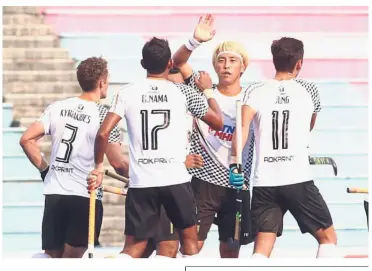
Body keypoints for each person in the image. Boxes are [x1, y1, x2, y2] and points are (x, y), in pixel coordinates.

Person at [87, 37, 223, 258]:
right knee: (189, 245)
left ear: (142, 64)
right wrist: (207, 92)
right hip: (175, 181)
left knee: (132, 249)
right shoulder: (183, 92)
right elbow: (217, 121)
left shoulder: (127, 92)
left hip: (142, 183)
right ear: (170, 63)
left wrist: (98, 167)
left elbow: (103, 133)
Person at [229, 37, 338, 258]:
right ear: (299, 63)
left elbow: (240, 133)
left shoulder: (255, 91)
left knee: (262, 246)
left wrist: (234, 166)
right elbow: (309, 126)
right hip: (298, 180)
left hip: (265, 182)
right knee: (328, 238)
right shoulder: (309, 90)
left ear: (274, 61)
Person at [20, 57, 129, 258]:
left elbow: (26, 140)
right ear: (101, 82)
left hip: (55, 193)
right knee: (74, 259)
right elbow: (118, 163)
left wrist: (46, 170)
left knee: (52, 257)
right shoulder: (105, 117)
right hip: (84, 195)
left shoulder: (57, 107)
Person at [171, 14, 254, 258]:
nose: (226, 65)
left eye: (232, 61)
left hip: (237, 183)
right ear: (215, 65)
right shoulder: (201, 90)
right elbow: (177, 61)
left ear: (243, 67)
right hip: (202, 182)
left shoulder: (253, 97)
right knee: (191, 245)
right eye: (221, 60)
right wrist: (194, 41)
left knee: (230, 250)